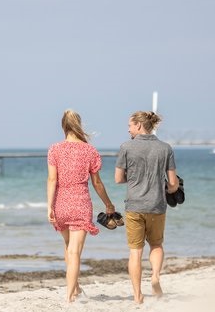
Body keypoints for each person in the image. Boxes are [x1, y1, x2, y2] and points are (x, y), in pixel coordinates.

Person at [47, 109, 116, 303]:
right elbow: (97, 183)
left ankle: (75, 288)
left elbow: (52, 179)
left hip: (60, 203)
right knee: (75, 251)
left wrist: (49, 207)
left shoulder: (54, 149)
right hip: (80, 204)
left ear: (63, 126)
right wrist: (108, 204)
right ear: (79, 126)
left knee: (69, 247)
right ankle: (69, 296)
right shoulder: (89, 150)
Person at [114, 110, 179, 304]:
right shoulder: (165, 148)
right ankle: (156, 276)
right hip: (157, 205)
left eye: (130, 126)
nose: (128, 129)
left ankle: (137, 296)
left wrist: (133, 179)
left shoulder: (126, 147)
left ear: (139, 125)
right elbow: (173, 183)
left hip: (134, 205)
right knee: (156, 245)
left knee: (135, 251)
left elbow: (118, 179)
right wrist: (169, 187)